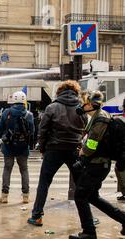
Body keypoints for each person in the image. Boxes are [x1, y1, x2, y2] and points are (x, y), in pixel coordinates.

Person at [27, 80, 87, 227]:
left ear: (59, 92)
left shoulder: (52, 107)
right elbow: (85, 127)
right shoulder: (81, 108)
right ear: (75, 92)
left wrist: (42, 148)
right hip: (74, 149)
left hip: (54, 148)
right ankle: (87, 218)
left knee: (44, 182)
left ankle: (37, 215)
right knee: (81, 183)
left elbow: (43, 130)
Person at [69, 91, 125, 239]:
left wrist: (83, 151)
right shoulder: (97, 117)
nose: (82, 105)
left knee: (80, 195)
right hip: (98, 164)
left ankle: (89, 232)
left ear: (91, 104)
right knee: (92, 196)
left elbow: (93, 143)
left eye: (85, 103)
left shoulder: (101, 118)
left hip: (97, 164)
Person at [0, 92, 35, 204]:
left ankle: (4, 196)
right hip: (23, 147)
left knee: (7, 169)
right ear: (24, 101)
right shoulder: (29, 115)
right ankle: (25, 196)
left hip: (8, 146)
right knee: (24, 170)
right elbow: (32, 132)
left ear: (13, 100)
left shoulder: (6, 112)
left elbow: (0, 128)